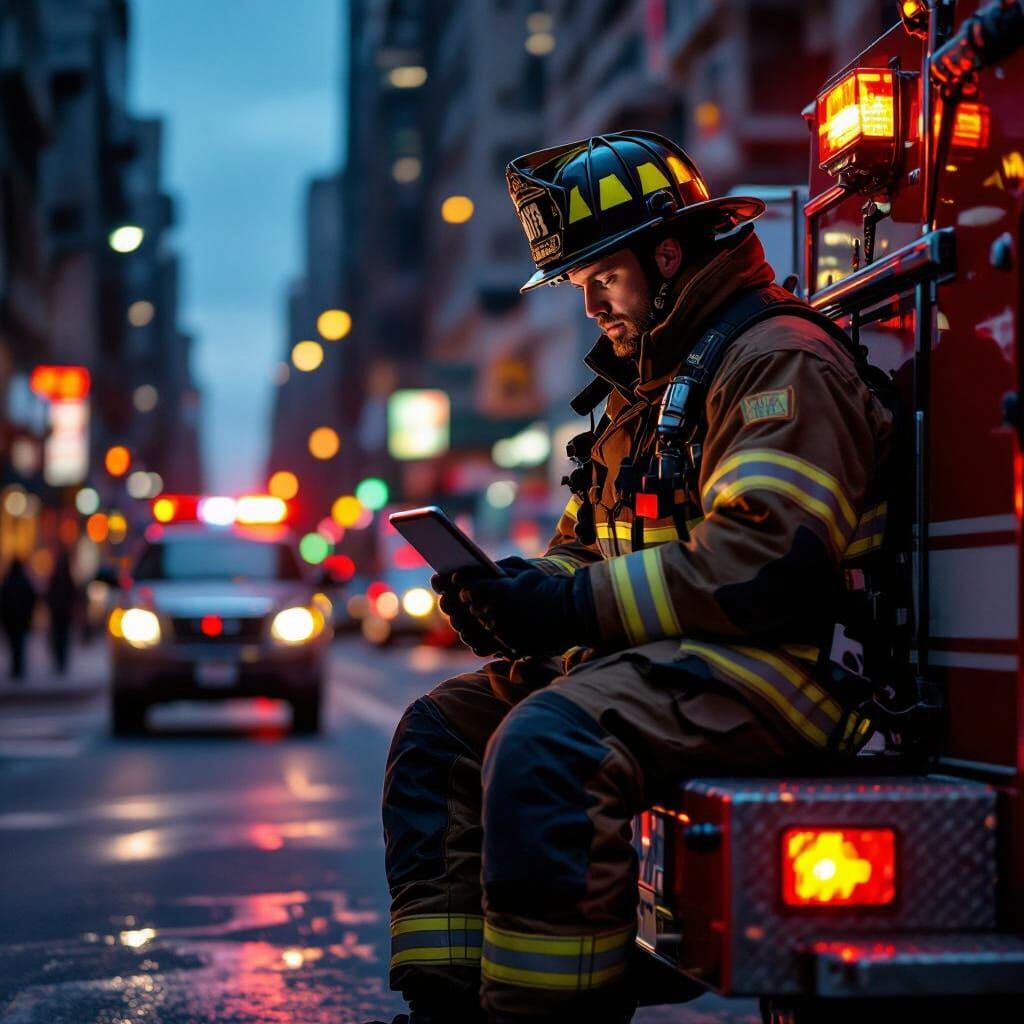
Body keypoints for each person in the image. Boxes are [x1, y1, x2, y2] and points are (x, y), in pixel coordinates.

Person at [370, 132, 894, 1024]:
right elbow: (591, 549)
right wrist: (513, 592)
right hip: (684, 656)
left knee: (548, 746)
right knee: (439, 734)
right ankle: (445, 1004)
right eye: (578, 288)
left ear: (667, 252)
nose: (591, 308)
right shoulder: (644, 392)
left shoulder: (776, 361)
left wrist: (565, 604)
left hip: (786, 666)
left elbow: (771, 558)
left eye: (600, 279)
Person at [0, 558, 38, 680]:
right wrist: (29, 614)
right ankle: (19, 669)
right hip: (21, 620)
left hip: (11, 620)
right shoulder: (24, 581)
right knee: (20, 645)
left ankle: (15, 669)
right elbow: (33, 597)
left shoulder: (7, 581)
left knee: (13, 645)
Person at [45, 547, 79, 675]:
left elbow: (48, 594)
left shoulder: (56, 578)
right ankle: (62, 663)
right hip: (63, 614)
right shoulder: (67, 578)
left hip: (58, 613)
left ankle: (60, 663)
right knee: (63, 638)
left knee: (58, 638)